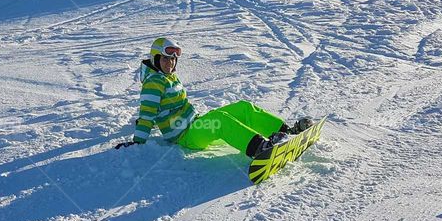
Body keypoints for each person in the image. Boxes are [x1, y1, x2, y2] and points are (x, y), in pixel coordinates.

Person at [115, 37, 314, 156]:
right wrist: (138, 141)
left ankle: (286, 131)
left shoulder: (167, 77)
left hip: (195, 124)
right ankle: (260, 149)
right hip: (185, 136)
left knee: (244, 107)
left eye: (174, 60)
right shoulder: (153, 83)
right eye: (166, 59)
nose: (171, 63)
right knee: (220, 121)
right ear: (155, 58)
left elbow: (158, 109)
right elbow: (148, 114)